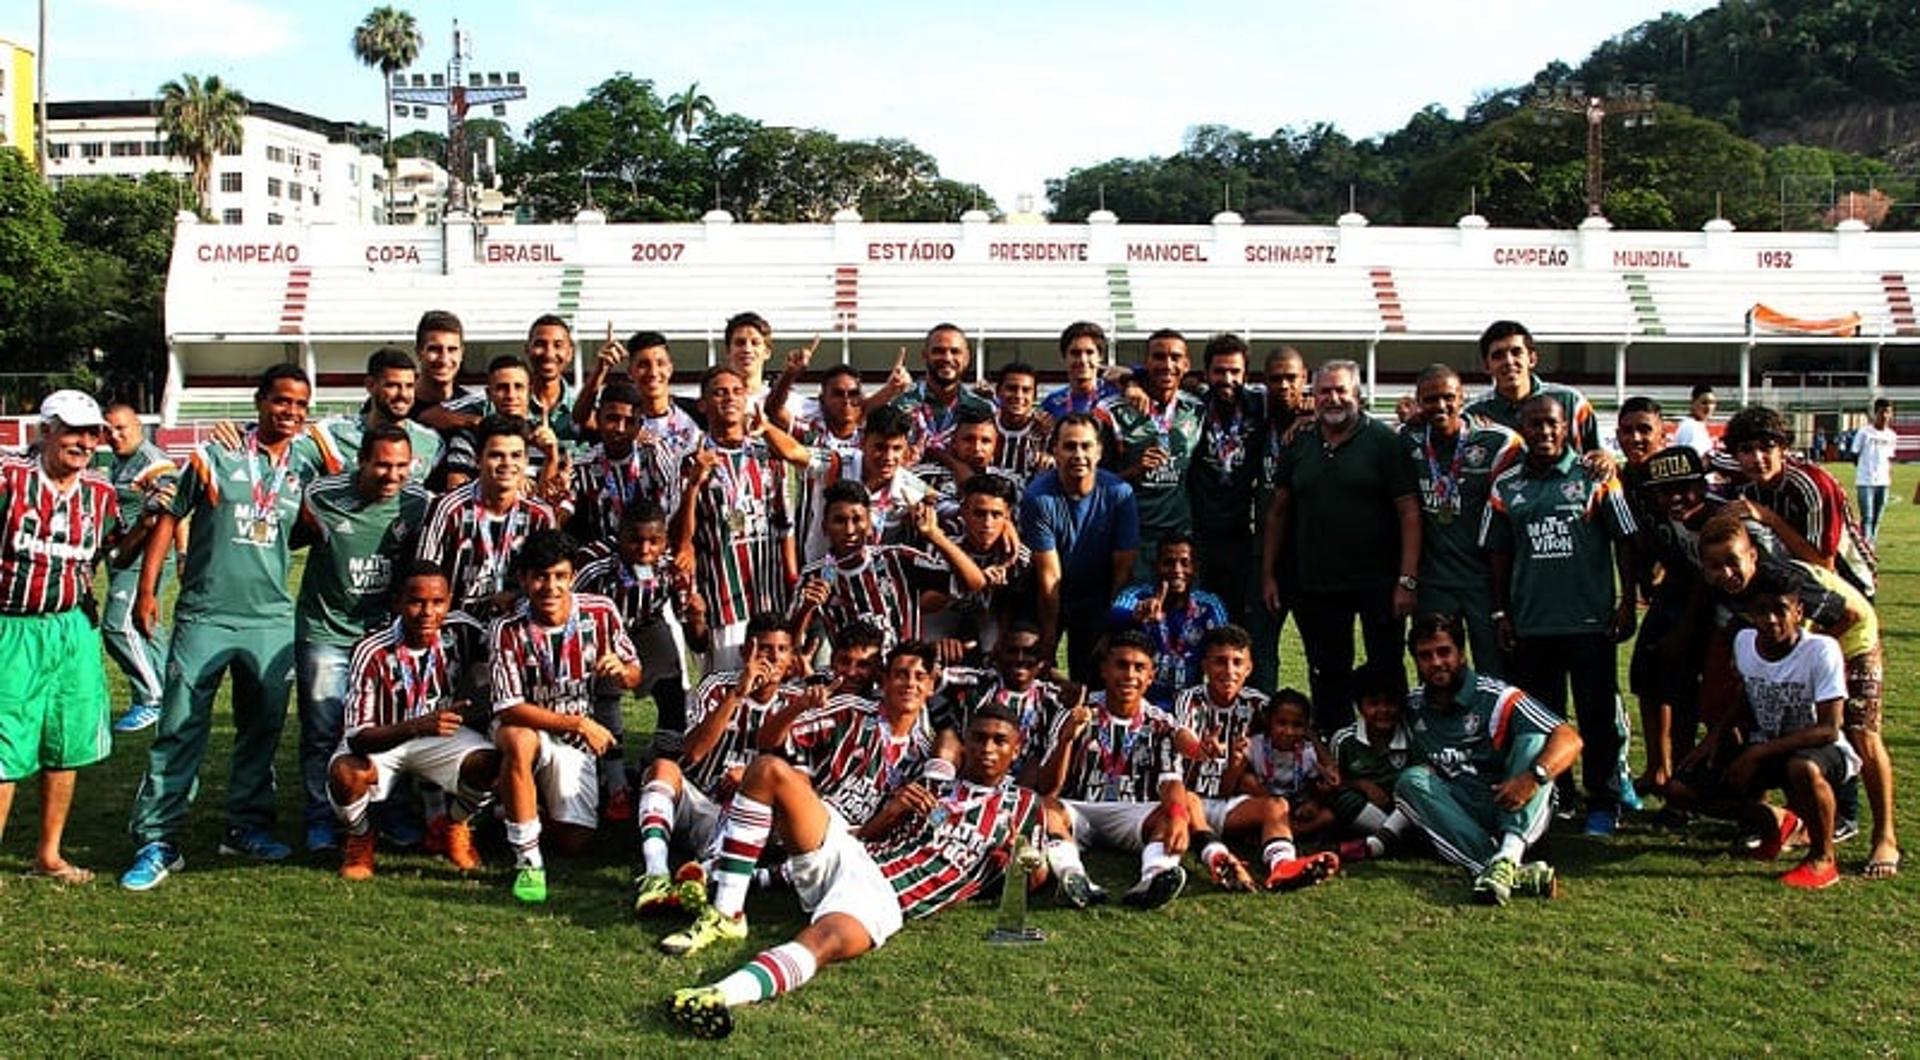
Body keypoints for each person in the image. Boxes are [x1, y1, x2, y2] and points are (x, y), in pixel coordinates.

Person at [663, 700, 1045, 1040]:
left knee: (819, 943)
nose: (988, 749)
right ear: (966, 742)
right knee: (767, 770)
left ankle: (719, 995)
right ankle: (728, 914)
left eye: (999, 741)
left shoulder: (1024, 806)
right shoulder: (934, 783)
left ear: (1017, 748)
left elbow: (1036, 879)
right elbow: (866, 835)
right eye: (979, 738)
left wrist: (1023, 861)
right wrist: (894, 810)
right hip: (853, 853)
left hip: (886, 895)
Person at [123, 365, 331, 890]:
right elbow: (170, 515)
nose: (291, 413)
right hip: (206, 613)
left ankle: (245, 826)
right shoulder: (215, 452)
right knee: (180, 725)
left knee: (261, 728)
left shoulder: (304, 466)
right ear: (260, 401)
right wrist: (148, 592)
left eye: (301, 406)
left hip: (270, 618)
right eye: (282, 401)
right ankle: (157, 839)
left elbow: (299, 529)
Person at [1695, 515, 1899, 879]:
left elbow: (1849, 615)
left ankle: (1885, 837)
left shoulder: (1788, 583)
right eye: (1715, 567)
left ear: (1753, 556)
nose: (1725, 573)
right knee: (1784, 724)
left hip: (1850, 639)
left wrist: (1814, 662)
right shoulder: (1730, 588)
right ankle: (1792, 819)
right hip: (1797, 643)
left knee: (1861, 732)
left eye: (1732, 563)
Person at [1484, 394, 1639, 836]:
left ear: (1566, 426)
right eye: (1535, 425)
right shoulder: (1506, 485)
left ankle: (1604, 801)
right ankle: (1559, 794)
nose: (1545, 433)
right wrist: (1501, 612)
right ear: (1522, 428)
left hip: (1589, 622)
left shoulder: (1595, 476)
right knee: (1543, 718)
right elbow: (1497, 552)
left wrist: (1627, 601)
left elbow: (1625, 539)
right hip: (1533, 623)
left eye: (1552, 424)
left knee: (1597, 716)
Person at [1666, 564, 1856, 890]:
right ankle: (1774, 820)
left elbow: (1829, 729)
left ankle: (1823, 858)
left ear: (1799, 611)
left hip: (1820, 751)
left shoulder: (1821, 651)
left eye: (1780, 610)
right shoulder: (1744, 642)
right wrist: (1715, 738)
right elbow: (1747, 693)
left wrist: (1757, 752)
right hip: (1766, 747)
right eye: (1761, 610)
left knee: (1803, 768)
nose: (1770, 619)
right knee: (1678, 789)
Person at [0, 392, 123, 884]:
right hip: (12, 624)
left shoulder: (100, 493)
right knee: (5, 744)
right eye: (73, 430)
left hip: (72, 625)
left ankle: (47, 855)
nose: (84, 442)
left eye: (92, 433)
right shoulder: (9, 479)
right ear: (45, 429)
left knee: (66, 741)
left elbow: (112, 547)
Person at [1261, 359, 1420, 733]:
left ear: (1358, 395)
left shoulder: (1383, 442)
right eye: (1325, 391)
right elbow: (1278, 513)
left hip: (1378, 582)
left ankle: (1391, 752)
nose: (1333, 398)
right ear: (1312, 397)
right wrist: (1268, 574)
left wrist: (1407, 579)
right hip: (1317, 582)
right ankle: (1335, 750)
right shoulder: (1298, 442)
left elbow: (1409, 512)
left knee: (1385, 668)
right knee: (1328, 672)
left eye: (1341, 390)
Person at [292, 426, 432, 852]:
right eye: (383, 465)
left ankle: (390, 811)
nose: (392, 475)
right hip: (326, 631)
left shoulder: (418, 504)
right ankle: (322, 819)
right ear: (362, 463)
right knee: (323, 728)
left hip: (385, 636)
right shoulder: (321, 495)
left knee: (389, 728)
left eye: (401, 466)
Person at [489, 529, 644, 903]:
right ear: (524, 579)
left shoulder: (600, 611)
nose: (550, 587)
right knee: (517, 738)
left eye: (560, 576)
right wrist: (579, 723)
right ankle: (528, 861)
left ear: (573, 575)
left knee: (576, 843)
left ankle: (519, 803)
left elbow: (635, 670)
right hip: (532, 726)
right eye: (540, 577)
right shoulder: (506, 628)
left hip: (575, 737)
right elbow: (509, 707)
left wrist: (623, 673)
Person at [1394, 613, 1582, 906]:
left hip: (1510, 803)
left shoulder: (1497, 696)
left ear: (1462, 654)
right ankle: (1499, 868)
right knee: (1409, 781)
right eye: (1425, 656)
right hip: (1460, 812)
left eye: (1444, 652)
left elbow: (1569, 737)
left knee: (1536, 739)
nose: (1436, 663)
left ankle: (1509, 852)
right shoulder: (1413, 706)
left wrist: (1533, 778)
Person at [327, 561, 495, 880]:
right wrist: (417, 725)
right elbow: (357, 738)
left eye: (437, 602)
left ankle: (455, 825)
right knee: (345, 773)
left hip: (442, 736)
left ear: (449, 601)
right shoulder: (371, 648)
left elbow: (506, 642)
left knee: (491, 762)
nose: (427, 612)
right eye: (417, 602)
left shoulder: (463, 629)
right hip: (387, 738)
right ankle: (361, 837)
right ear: (398, 602)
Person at [633, 613, 805, 919]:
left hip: (749, 815)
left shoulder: (796, 702)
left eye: (781, 650)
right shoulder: (716, 686)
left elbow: (799, 778)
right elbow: (693, 752)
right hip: (699, 801)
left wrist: (751, 779)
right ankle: (656, 873)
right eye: (764, 648)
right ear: (744, 652)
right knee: (662, 768)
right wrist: (738, 694)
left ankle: (704, 877)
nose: (773, 658)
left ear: (792, 658)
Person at [672, 366, 811, 671]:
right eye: (719, 392)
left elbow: (784, 524)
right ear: (703, 404)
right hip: (723, 596)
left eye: (737, 391)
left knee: (773, 688)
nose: (730, 399)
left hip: (769, 593)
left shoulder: (767, 455)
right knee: (729, 691)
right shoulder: (691, 459)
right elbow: (680, 536)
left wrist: (791, 582)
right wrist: (694, 484)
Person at [1398, 363, 1522, 673]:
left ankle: (1493, 722)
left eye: (1448, 397)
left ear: (1462, 397)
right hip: (1434, 581)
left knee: (1493, 668)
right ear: (1418, 402)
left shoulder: (1496, 442)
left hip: (1483, 581)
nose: (1440, 405)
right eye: (1429, 399)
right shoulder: (1407, 440)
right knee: (1436, 668)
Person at [573, 500, 708, 770]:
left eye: (654, 541)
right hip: (597, 630)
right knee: (608, 689)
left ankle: (656, 763)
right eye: (635, 540)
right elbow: (562, 604)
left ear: (665, 539)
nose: (645, 550)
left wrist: (697, 616)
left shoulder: (673, 566)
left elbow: (698, 642)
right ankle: (614, 779)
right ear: (619, 535)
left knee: (672, 688)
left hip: (646, 624)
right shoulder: (593, 562)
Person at [789, 481, 984, 652]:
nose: (849, 530)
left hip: (903, 678)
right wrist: (807, 608)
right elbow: (792, 643)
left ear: (869, 524)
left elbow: (975, 582)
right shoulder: (819, 575)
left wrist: (935, 536)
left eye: (857, 520)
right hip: (852, 684)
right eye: (839, 521)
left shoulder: (898, 558)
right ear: (825, 526)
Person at [1022, 413, 1139, 681]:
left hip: (1098, 594)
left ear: (1099, 451)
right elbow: (1049, 578)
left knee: (1094, 673)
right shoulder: (1038, 497)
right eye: (1069, 446)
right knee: (1033, 664)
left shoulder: (1120, 493)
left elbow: (1123, 570)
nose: (1078, 454)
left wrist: (1111, 629)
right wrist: (1049, 639)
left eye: (1086, 446)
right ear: (1055, 451)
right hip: (1048, 592)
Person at [1718, 404, 1876, 598]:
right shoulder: (1743, 474)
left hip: (1846, 581)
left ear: (1783, 449)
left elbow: (1824, 565)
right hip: (1794, 578)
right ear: (1736, 455)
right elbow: (1709, 460)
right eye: (1747, 450)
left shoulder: (1812, 486)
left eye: (1767, 447)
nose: (1757, 458)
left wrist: (1769, 518)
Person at [415, 415, 559, 620]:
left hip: (516, 629)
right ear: (477, 459)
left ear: (526, 460)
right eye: (496, 455)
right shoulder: (448, 508)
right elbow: (423, 577)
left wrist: (517, 596)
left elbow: (550, 581)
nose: (507, 464)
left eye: (516, 455)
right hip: (455, 626)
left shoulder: (541, 516)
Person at [99, 401, 180, 734]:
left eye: (122, 428)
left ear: (138, 427)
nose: (114, 435)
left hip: (145, 558)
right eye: (108, 429)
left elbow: (175, 513)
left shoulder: (155, 463)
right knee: (146, 627)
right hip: (123, 556)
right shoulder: (120, 464)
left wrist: (183, 554)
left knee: (117, 625)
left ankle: (152, 699)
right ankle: (168, 696)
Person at [1187, 334, 1266, 624]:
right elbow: (1134, 374)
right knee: (1195, 619)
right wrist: (1133, 381)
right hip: (1198, 535)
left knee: (1236, 621)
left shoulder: (1260, 406)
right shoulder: (1191, 405)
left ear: (1246, 374)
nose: (1227, 379)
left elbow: (1294, 397)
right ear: (1206, 373)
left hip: (1241, 536)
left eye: (1235, 371)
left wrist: (1305, 410)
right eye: (1219, 371)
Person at [1113, 329, 1205, 574]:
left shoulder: (1197, 409)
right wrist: (1134, 470)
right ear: (1146, 363)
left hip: (1180, 538)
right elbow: (1096, 481)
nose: (1167, 365)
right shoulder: (1115, 412)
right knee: (1132, 608)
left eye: (1175, 357)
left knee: (1180, 610)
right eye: (1159, 357)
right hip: (1134, 535)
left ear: (1186, 365)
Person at [1249, 345, 1311, 693]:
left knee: (1321, 649)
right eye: (1275, 379)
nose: (1284, 386)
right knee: (1261, 647)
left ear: (1305, 379)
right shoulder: (1254, 418)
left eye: (1291, 378)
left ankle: (1328, 727)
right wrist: (1133, 377)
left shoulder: (1321, 425)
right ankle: (1264, 724)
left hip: (1308, 558)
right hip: (1265, 555)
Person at [1108, 533, 1229, 706]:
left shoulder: (1209, 605)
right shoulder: (1138, 596)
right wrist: (1136, 615)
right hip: (1141, 707)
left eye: (1185, 563)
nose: (1177, 570)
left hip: (1191, 708)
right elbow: (1114, 615)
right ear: (1156, 567)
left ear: (1195, 568)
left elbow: (1227, 645)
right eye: (1168, 563)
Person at [560, 380, 678, 548]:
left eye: (629, 421)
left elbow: (674, 508)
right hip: (602, 558)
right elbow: (563, 512)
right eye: (612, 419)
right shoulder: (583, 467)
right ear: (598, 418)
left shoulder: (655, 457)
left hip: (652, 554)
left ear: (640, 425)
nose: (620, 428)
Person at [1463, 320, 1603, 457]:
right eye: (1498, 355)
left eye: (1516, 352)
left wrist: (1603, 458)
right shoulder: (1473, 415)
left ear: (1532, 359)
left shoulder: (1571, 402)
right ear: (1486, 366)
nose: (1509, 361)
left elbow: (1598, 457)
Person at [309, 346, 443, 482]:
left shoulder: (431, 442)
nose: (403, 394)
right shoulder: (331, 433)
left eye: (409, 386)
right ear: (370, 384)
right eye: (392, 385)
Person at [1329, 663, 1417, 863]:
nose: (1383, 710)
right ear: (1359, 706)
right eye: (1374, 703)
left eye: (1390, 703)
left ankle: (1382, 842)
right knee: (1341, 799)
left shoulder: (1411, 736)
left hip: (1404, 809)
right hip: (1367, 811)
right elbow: (1336, 782)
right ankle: (1399, 840)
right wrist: (1362, 785)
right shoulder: (1344, 740)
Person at [1236, 691, 1339, 840]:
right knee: (1247, 782)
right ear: (1269, 721)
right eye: (1281, 723)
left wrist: (1313, 803)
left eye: (1297, 725)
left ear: (1306, 727)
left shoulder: (1308, 752)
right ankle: (1290, 830)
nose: (1289, 731)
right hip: (1264, 803)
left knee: (1328, 816)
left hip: (1295, 807)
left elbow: (1315, 786)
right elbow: (1242, 783)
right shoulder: (1255, 745)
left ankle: (1288, 829)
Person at [887, 323, 995, 455]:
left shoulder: (982, 408)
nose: (947, 358)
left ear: (966, 358)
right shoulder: (900, 405)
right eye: (939, 351)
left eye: (955, 351)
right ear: (925, 355)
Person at [990, 361, 1049, 483]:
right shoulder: (984, 428)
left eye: (1026, 390)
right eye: (1012, 388)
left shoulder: (1046, 433)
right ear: (998, 391)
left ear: (1035, 396)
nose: (1018, 395)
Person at [1851, 398, 1896, 542]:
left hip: (1883, 482)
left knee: (1877, 518)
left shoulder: (1891, 435)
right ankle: (1866, 547)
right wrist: (1865, 470)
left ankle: (1872, 545)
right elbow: (1854, 454)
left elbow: (1889, 458)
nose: (1885, 416)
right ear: (1875, 413)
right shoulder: (1864, 433)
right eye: (1882, 412)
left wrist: (1888, 475)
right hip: (1865, 481)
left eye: (1888, 412)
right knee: (1867, 517)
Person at [1671, 384, 1717, 457]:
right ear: (1693, 403)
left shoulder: (1698, 426)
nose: (1709, 407)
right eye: (1704, 403)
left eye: (1712, 403)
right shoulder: (1691, 427)